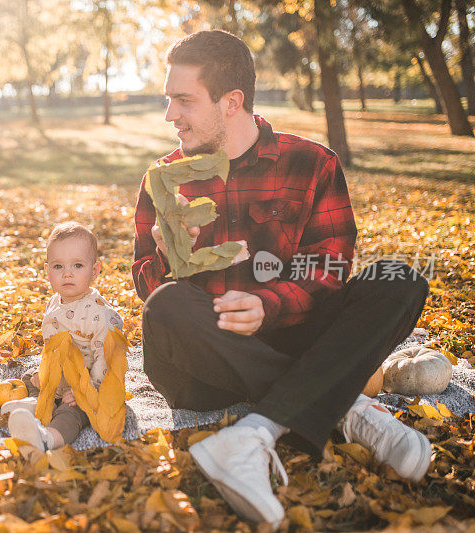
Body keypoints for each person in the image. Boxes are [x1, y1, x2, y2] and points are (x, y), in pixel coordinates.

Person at [133, 31, 430, 526]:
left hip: (296, 336)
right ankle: (345, 408)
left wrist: (268, 305)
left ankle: (254, 432)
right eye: (169, 99)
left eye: (183, 100)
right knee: (164, 307)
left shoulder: (311, 163)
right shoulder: (163, 180)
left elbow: (331, 267)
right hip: (207, 362)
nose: (170, 115)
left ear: (232, 102)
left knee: (399, 277)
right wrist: (167, 257)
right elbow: (147, 285)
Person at [5, 222, 124, 450]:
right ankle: (37, 404)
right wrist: (46, 374)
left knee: (72, 412)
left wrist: (88, 391)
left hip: (91, 381)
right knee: (29, 376)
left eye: (78, 265)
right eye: (58, 266)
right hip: (61, 374)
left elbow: (107, 359)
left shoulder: (99, 314)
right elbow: (52, 343)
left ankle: (47, 437)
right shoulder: (55, 301)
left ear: (95, 270)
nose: (67, 273)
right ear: (47, 269)